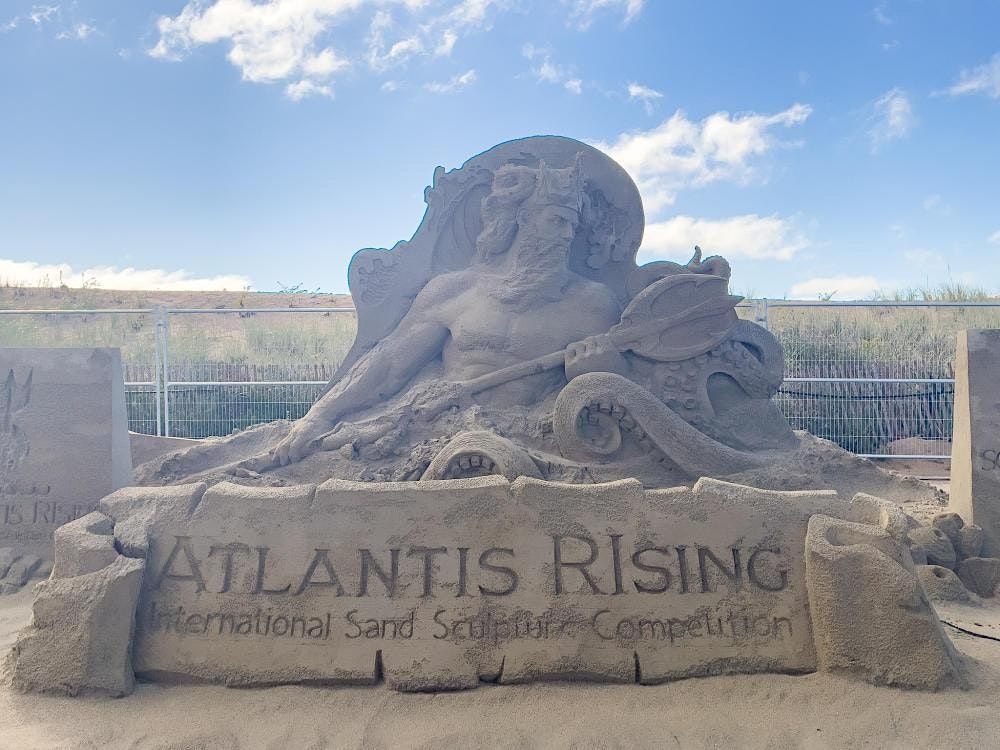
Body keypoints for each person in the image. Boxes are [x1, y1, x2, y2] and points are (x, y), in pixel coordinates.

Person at [271, 159, 629, 466]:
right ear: (523, 217)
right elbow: (389, 365)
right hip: (430, 426)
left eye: (572, 225)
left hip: (528, 439)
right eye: (556, 221)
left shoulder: (592, 304)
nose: (567, 235)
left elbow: (625, 398)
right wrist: (321, 415)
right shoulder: (455, 290)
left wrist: (604, 371)